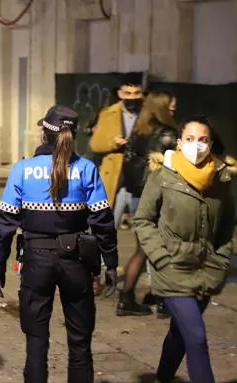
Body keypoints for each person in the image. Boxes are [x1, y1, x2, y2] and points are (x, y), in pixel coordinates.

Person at [0, 105, 118, 383]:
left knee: (36, 342)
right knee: (80, 341)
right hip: (77, 262)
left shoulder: (23, 169)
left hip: (36, 260)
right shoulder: (86, 169)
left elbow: (4, 225)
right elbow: (103, 222)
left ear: (43, 136)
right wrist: (111, 263)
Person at [133, 116, 235, 383]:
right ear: (179, 143)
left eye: (203, 140)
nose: (197, 145)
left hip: (206, 270)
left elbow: (227, 226)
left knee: (180, 333)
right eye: (190, 139)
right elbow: (143, 219)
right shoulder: (163, 175)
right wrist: (160, 257)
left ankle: (163, 378)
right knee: (197, 337)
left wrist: (221, 261)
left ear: (211, 143)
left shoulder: (221, 178)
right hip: (172, 268)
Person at [117, 90, 178, 317]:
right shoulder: (169, 134)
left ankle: (128, 298)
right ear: (162, 106)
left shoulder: (138, 131)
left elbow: (128, 165)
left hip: (137, 198)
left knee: (142, 250)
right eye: (171, 104)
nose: (174, 108)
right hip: (159, 199)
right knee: (164, 250)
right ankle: (163, 302)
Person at [89, 75, 144, 226]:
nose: (132, 97)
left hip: (140, 175)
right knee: (110, 223)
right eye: (128, 93)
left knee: (143, 224)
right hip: (115, 174)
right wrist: (113, 142)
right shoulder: (107, 114)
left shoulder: (148, 113)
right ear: (120, 94)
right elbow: (95, 144)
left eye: (136, 93)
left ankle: (141, 250)